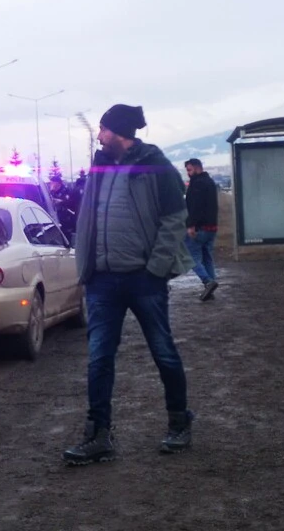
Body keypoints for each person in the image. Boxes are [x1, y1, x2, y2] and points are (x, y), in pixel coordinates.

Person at [63, 104, 195, 465]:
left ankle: (179, 422)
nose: (99, 135)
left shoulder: (156, 165)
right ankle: (97, 435)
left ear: (119, 132)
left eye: (103, 129)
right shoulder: (100, 166)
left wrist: (155, 269)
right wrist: (86, 268)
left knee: (163, 351)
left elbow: (175, 219)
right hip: (102, 280)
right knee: (99, 358)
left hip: (143, 279)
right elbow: (88, 216)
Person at [183, 158, 220, 301]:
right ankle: (210, 288)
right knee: (207, 258)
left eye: (189, 170)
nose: (188, 173)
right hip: (212, 227)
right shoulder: (209, 182)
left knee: (190, 256)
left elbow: (195, 207)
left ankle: (207, 281)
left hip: (199, 228)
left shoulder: (196, 184)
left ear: (197, 167)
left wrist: (191, 225)